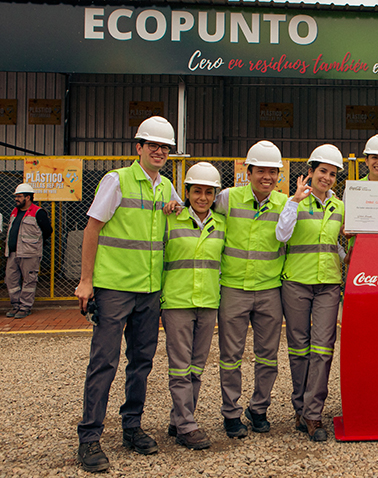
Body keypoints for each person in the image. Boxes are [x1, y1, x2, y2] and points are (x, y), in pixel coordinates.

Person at [74, 116, 181, 472]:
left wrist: (176, 208)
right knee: (104, 361)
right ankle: (89, 437)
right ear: (139, 147)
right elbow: (93, 228)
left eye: (165, 147)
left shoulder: (166, 187)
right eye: (153, 145)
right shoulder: (117, 180)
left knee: (141, 362)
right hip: (115, 287)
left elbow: (179, 215)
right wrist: (86, 281)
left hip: (149, 290)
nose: (159, 151)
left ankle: (131, 427)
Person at [214, 140, 287, 439]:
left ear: (279, 175)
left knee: (268, 356)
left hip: (270, 289)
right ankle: (231, 413)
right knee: (230, 356)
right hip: (233, 288)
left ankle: (259, 409)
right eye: (261, 171)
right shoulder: (227, 199)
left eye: (273, 172)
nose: (267, 177)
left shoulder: (285, 204)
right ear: (248, 172)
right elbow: (197, 208)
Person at [276, 144, 345, 442]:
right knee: (298, 349)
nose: (326, 178)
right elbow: (282, 234)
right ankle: (300, 409)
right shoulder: (293, 202)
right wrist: (294, 201)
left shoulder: (339, 207)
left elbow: (337, 245)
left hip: (328, 284)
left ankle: (313, 414)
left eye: (332, 174)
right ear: (310, 172)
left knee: (323, 349)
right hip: (297, 282)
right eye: (322, 172)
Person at [161, 162, 224, 450]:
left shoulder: (221, 224)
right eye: (197, 191)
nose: (202, 197)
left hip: (208, 301)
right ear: (186, 193)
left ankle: (179, 419)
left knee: (196, 367)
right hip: (177, 302)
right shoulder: (171, 219)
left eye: (209, 192)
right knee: (179, 367)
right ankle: (187, 425)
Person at [4, 183, 52, 318]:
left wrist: (36, 243)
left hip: (30, 253)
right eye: (16, 196)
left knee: (29, 280)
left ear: (28, 197)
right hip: (13, 252)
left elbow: (47, 230)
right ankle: (16, 305)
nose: (16, 199)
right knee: (11, 279)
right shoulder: (14, 212)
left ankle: (25, 307)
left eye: (19, 196)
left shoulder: (38, 212)